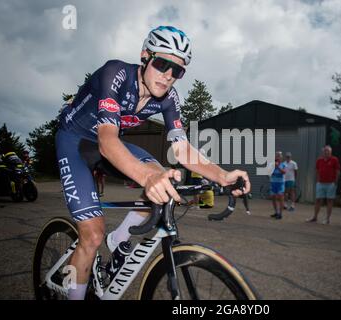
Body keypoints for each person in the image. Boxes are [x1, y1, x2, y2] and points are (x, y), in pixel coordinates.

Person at [55, 26, 250, 300]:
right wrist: (146, 177)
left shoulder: (169, 99)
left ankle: (119, 239)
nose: (169, 75)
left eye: (177, 71)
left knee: (165, 178)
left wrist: (222, 175)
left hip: (108, 144)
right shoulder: (117, 74)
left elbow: (182, 151)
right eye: (162, 64)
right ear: (145, 56)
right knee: (92, 235)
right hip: (76, 141)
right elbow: (108, 141)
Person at [306, 145, 340, 225]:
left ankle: (327, 219)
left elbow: (337, 171)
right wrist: (317, 180)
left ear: (330, 152)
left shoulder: (334, 159)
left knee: (329, 201)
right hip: (320, 183)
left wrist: (335, 181)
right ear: (323, 152)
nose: (326, 152)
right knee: (318, 200)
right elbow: (317, 170)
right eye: (325, 151)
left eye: (328, 151)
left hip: (331, 183)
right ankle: (315, 217)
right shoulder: (319, 160)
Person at [269, 151, 286, 220]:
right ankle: (276, 212)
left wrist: (278, 167)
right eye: (276, 156)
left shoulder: (283, 164)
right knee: (273, 198)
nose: (277, 157)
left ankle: (280, 214)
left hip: (280, 183)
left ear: (281, 158)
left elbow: (284, 172)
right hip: (273, 183)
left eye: (279, 156)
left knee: (280, 198)